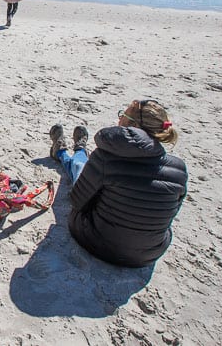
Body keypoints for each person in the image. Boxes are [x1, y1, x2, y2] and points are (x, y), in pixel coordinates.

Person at [49, 99, 188, 268]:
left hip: (94, 241)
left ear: (131, 124)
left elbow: (77, 200)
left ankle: (66, 152)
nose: (119, 118)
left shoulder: (106, 156)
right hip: (147, 255)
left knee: (80, 171)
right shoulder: (178, 169)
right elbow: (169, 216)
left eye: (123, 114)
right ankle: (75, 150)